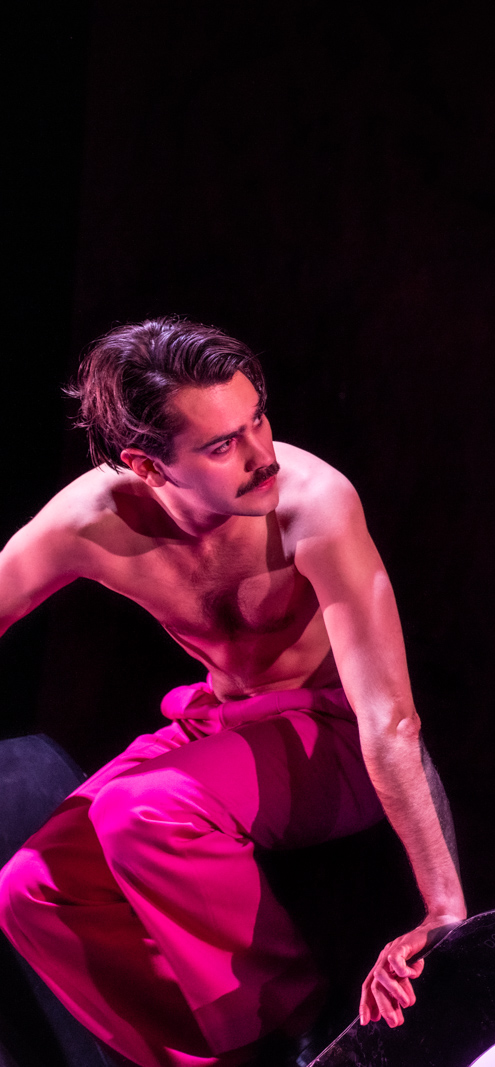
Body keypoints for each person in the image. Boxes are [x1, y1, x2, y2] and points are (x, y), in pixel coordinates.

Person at [0, 318, 463, 1066]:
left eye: (258, 419)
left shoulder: (312, 502)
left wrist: (445, 906)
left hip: (334, 733)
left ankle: (299, 1028)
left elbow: (391, 718)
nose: (261, 454)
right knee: (30, 890)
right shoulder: (89, 521)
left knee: (139, 811)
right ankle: (212, 1057)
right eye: (222, 446)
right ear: (146, 466)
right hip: (221, 722)